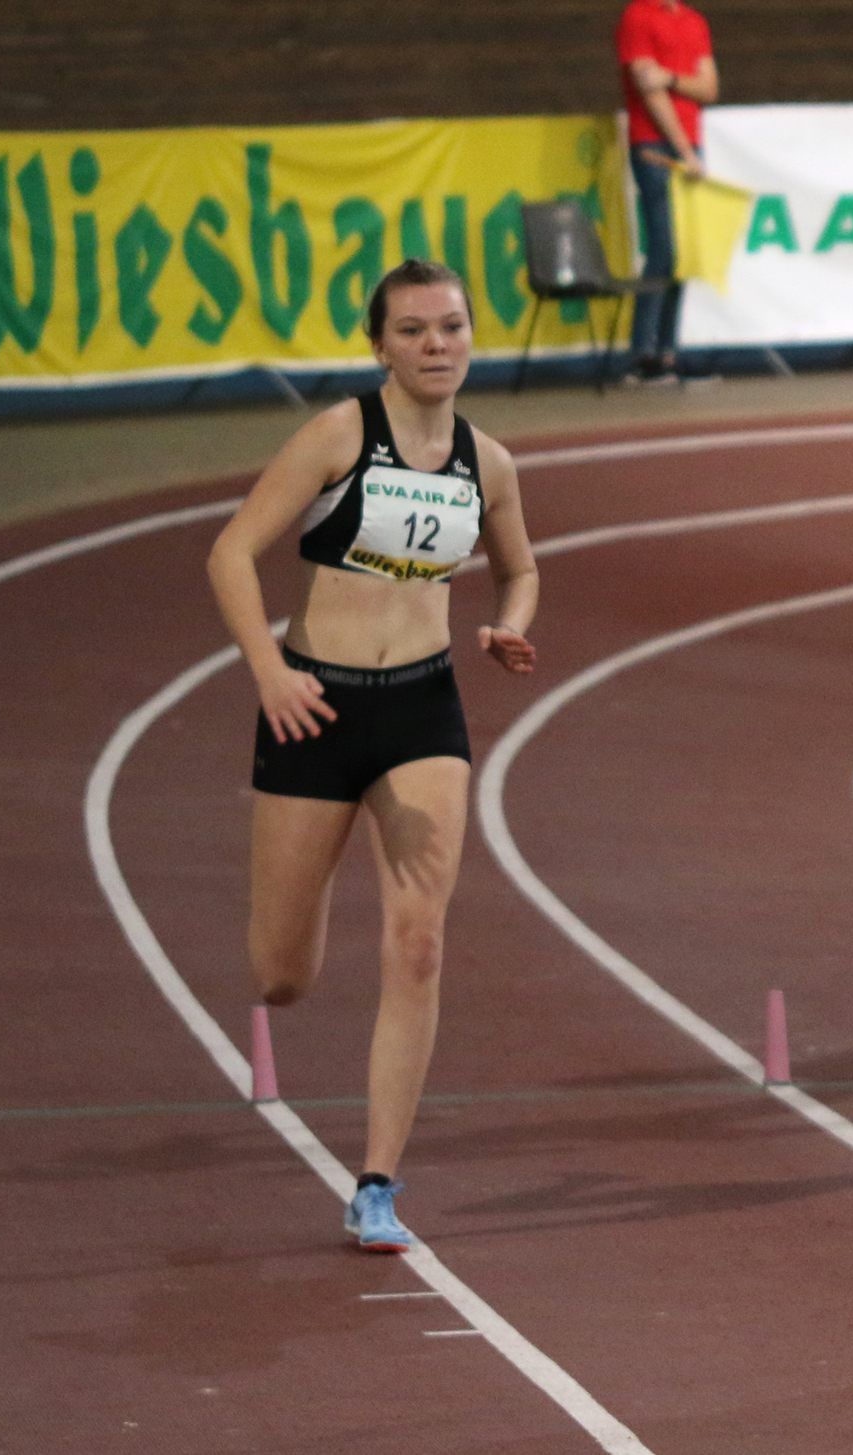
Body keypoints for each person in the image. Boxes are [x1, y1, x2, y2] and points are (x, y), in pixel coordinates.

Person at [205, 260, 539, 1252]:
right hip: (314, 708)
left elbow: (519, 569)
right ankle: (291, 954)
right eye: (412, 331)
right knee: (279, 978)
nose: (436, 345)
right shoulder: (339, 435)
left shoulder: (490, 461)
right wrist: (268, 672)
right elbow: (229, 552)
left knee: (419, 943)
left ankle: (378, 1184)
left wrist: (508, 624)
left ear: (472, 336)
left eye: (450, 327)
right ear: (380, 345)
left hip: (421, 712)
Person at [617, 0, 719, 387]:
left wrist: (671, 78)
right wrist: (685, 150)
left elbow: (709, 87)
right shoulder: (638, 16)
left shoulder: (694, 20)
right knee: (664, 249)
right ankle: (642, 354)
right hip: (657, 146)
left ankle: (667, 352)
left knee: (682, 253)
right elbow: (648, 87)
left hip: (688, 147)